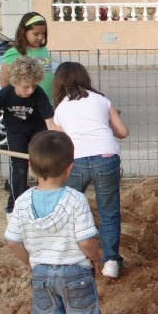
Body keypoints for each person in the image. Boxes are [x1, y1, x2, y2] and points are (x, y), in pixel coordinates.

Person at [4, 130, 101, 314]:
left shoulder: (23, 201)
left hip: (41, 275)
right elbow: (86, 241)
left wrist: (29, 262)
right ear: (69, 168)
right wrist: (96, 258)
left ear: (30, 165)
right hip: (76, 273)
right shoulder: (76, 200)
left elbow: (12, 241)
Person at [53, 61, 129, 279]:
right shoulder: (102, 100)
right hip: (106, 158)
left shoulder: (60, 109)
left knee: (71, 209)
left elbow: (60, 141)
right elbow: (123, 131)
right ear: (85, 78)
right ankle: (111, 261)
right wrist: (106, 127)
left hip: (75, 161)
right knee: (109, 212)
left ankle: (75, 255)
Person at [0, 56, 55, 214]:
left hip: (37, 129)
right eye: (27, 87)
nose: (31, 90)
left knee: (42, 166)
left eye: (34, 85)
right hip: (15, 131)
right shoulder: (4, 94)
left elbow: (49, 121)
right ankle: (15, 208)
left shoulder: (39, 94)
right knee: (19, 168)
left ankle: (45, 204)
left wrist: (54, 144)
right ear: (14, 82)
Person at [0, 12, 54, 101]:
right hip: (26, 103)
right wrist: (11, 99)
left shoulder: (43, 50)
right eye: (36, 34)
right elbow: (3, 79)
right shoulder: (13, 53)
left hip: (47, 101)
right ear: (23, 32)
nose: (40, 37)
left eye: (43, 33)